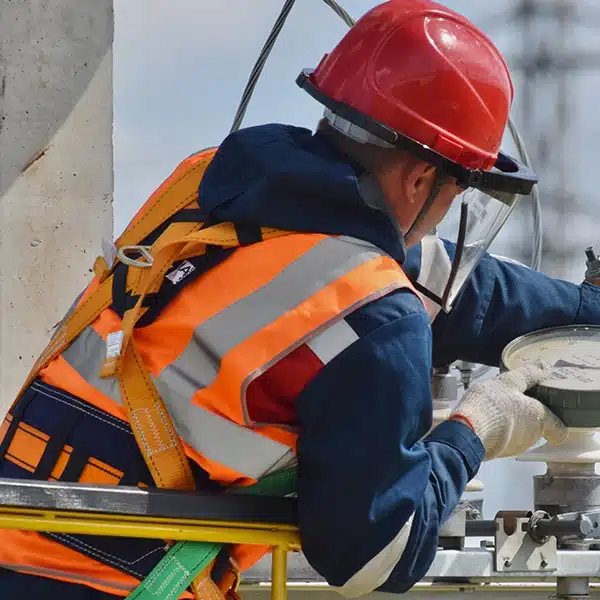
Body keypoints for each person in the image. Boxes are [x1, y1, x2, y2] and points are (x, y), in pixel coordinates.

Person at [0, 0, 595, 597]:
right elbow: (377, 557)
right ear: (419, 179)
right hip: (108, 585)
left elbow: (466, 291)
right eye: (457, 190)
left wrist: (584, 313)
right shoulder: (373, 310)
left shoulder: (214, 190)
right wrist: (477, 429)